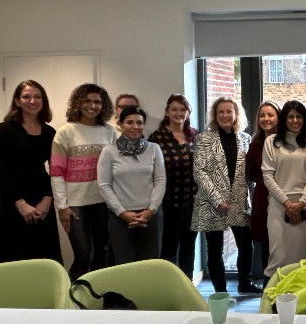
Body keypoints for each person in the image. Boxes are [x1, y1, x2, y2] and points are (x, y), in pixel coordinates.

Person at [193, 97, 260, 294]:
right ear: (215, 115)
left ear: (236, 114)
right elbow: (200, 171)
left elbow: (250, 174)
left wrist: (255, 200)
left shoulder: (246, 139)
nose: (225, 115)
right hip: (211, 202)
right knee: (214, 250)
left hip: (239, 201)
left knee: (246, 247)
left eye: (229, 111)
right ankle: (220, 292)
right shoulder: (204, 139)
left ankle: (244, 283)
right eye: (220, 112)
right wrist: (217, 198)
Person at [51, 83, 117, 280]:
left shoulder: (109, 131)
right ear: (77, 103)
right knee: (82, 255)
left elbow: (115, 168)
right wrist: (62, 206)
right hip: (75, 204)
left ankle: (95, 299)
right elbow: (56, 173)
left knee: (103, 253)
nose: (92, 105)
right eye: (87, 100)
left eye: (97, 101)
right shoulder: (66, 132)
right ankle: (74, 301)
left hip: (103, 202)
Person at [0, 80, 61, 264]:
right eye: (26, 96)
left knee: (46, 257)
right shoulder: (4, 129)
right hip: (13, 200)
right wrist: (20, 203)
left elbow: (55, 169)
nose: (32, 101)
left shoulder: (49, 132)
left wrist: (47, 199)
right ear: (17, 101)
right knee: (18, 258)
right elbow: (0, 168)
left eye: (38, 97)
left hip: (42, 199)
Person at [98, 106, 165, 265]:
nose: (135, 127)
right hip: (120, 217)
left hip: (150, 216)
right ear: (120, 124)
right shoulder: (109, 151)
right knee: (125, 266)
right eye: (129, 122)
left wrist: (150, 210)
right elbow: (104, 185)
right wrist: (122, 213)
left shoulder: (154, 149)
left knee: (150, 265)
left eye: (139, 122)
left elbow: (160, 180)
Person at [262, 101, 306, 277]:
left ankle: (295, 301)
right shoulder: (271, 142)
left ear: (305, 119)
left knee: (298, 258)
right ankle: (270, 302)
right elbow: (267, 176)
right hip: (278, 205)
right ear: (284, 119)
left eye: (299, 116)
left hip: (304, 205)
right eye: (291, 116)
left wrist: (301, 203)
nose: (295, 120)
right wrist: (288, 203)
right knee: (277, 258)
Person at [148, 94, 200, 277]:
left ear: (188, 112)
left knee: (189, 246)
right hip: (169, 204)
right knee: (168, 249)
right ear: (167, 112)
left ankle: (188, 287)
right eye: (174, 109)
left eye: (183, 109)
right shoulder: (157, 138)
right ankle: (168, 288)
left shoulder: (195, 136)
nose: (179, 113)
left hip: (193, 203)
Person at [246, 102, 279, 282]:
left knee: (283, 245)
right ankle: (268, 290)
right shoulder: (255, 144)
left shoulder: (286, 142)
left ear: (278, 117)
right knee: (266, 246)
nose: (266, 119)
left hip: (284, 199)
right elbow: (251, 173)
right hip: (262, 199)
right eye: (262, 115)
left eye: (270, 115)